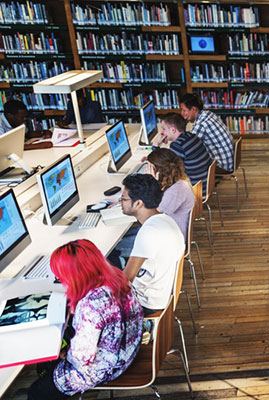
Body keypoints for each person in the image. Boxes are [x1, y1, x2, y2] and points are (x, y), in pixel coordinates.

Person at [27, 240, 142, 400]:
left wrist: (66, 354)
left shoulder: (90, 306)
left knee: (37, 393)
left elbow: (82, 360)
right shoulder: (116, 276)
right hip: (129, 348)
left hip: (105, 368)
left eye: (61, 277)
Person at [119, 174, 185, 315]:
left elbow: (125, 280)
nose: (120, 202)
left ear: (138, 204)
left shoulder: (148, 233)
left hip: (147, 303)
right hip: (162, 293)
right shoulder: (166, 219)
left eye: (123, 199)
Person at [146, 148, 196, 242]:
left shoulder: (175, 191)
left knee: (120, 245)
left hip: (170, 240)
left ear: (159, 171)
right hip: (167, 230)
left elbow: (151, 216)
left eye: (149, 167)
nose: (146, 171)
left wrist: (152, 184)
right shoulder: (177, 181)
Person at [159, 113, 214, 194]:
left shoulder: (177, 145)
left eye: (163, 129)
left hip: (196, 191)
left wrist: (155, 146)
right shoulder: (192, 136)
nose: (161, 132)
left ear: (173, 130)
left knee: (161, 184)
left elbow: (165, 170)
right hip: (205, 185)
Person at [179, 93, 234, 173]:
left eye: (184, 110)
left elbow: (187, 146)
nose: (182, 114)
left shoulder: (201, 125)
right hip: (229, 161)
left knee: (187, 162)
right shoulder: (208, 114)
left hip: (222, 166)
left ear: (194, 109)